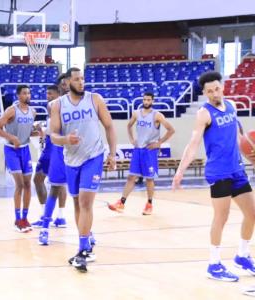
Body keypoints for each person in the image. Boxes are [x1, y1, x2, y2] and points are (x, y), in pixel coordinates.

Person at [172, 71, 255, 282]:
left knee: (252, 214)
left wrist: (251, 154)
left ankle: (242, 256)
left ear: (222, 87)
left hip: (237, 169)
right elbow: (193, 145)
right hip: (218, 171)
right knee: (222, 217)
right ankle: (214, 264)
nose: (214, 93)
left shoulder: (232, 106)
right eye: (210, 91)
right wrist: (180, 171)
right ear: (205, 93)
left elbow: (238, 137)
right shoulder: (204, 113)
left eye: (217, 89)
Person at [51, 67, 116, 272]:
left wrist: (112, 153)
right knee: (77, 203)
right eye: (77, 79)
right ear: (67, 83)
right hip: (71, 159)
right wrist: (65, 139)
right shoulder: (57, 105)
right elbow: (53, 135)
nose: (81, 82)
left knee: (86, 202)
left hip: (93, 156)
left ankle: (82, 251)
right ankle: (86, 240)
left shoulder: (95, 99)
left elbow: (109, 126)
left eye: (82, 79)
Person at [108, 92, 175, 215]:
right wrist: (132, 140)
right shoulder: (136, 113)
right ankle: (121, 203)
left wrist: (159, 143)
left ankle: (149, 204)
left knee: (149, 179)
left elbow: (171, 130)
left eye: (148, 100)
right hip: (138, 149)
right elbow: (129, 126)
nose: (146, 102)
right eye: (144, 99)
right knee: (131, 177)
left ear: (152, 101)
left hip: (150, 150)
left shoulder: (157, 115)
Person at [0, 85, 40, 232]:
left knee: (27, 185)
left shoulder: (33, 112)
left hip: (25, 149)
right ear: (18, 96)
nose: (28, 95)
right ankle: (17, 219)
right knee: (19, 185)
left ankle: (25, 218)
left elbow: (28, 133)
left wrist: (38, 132)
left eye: (29, 93)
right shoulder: (12, 110)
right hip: (11, 150)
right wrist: (11, 137)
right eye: (25, 93)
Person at [32, 85, 68, 228]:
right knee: (57, 182)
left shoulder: (55, 106)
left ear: (58, 94)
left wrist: (41, 128)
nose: (48, 96)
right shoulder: (57, 108)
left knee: (39, 179)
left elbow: (56, 130)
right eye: (47, 94)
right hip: (54, 148)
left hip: (54, 149)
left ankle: (46, 216)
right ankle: (60, 217)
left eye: (50, 93)